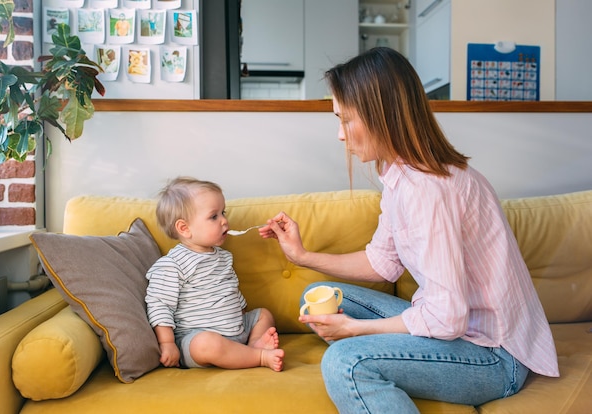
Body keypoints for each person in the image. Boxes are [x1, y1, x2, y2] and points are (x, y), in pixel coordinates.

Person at [259, 47, 558, 413]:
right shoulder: (404, 176)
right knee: (318, 294)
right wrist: (301, 255)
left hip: (494, 355)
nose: (340, 135)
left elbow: (447, 316)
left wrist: (355, 330)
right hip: (461, 328)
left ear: (381, 116)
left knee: (345, 361)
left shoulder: (425, 190)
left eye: (346, 120)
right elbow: (382, 263)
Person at [146, 177, 284, 372]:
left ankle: (251, 347)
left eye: (223, 213)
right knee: (207, 344)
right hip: (199, 339)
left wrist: (242, 316)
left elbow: (231, 291)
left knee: (264, 315)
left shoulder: (224, 257)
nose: (224, 220)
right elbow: (159, 303)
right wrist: (167, 343)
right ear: (184, 228)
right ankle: (259, 356)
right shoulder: (172, 265)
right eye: (214, 217)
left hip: (236, 329)